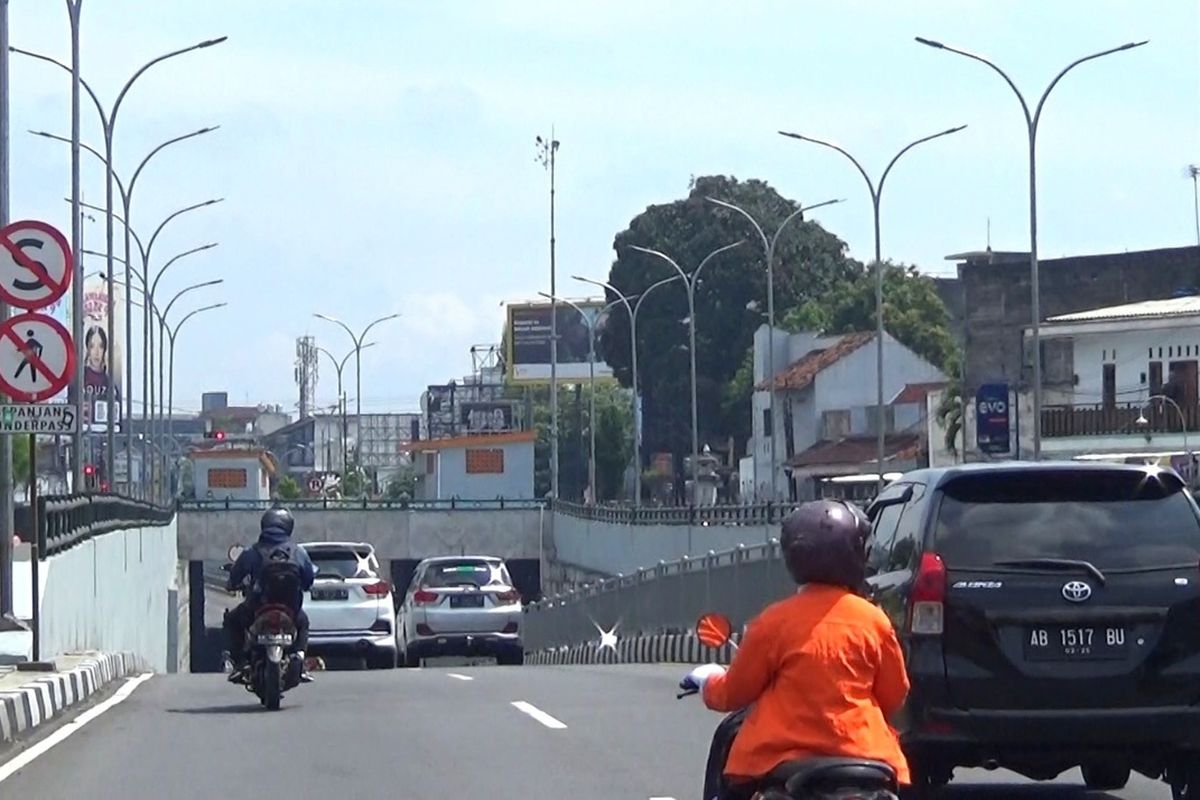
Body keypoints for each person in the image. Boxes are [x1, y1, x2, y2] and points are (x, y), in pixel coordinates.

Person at [680, 500, 911, 799]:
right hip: (868, 758)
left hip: (779, 761)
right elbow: (895, 696)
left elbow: (732, 694)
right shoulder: (874, 620)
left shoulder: (773, 622)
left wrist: (707, 681)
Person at [223, 505, 316, 684]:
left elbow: (235, 577)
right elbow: (308, 580)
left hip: (258, 607)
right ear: (289, 526)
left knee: (232, 620)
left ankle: (239, 663)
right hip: (290, 610)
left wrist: (232, 584)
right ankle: (299, 656)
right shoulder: (298, 552)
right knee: (303, 623)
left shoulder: (253, 552)